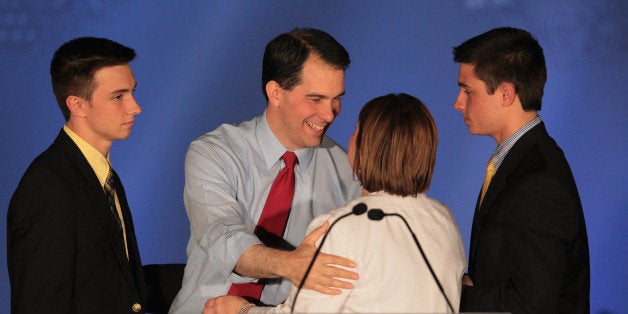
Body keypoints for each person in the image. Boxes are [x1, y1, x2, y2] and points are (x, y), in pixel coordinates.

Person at [201, 93, 467, 313]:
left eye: (356, 131)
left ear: (366, 147)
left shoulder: (340, 228)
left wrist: (240, 310)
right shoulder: (444, 220)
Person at [169, 28, 362, 313]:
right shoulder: (213, 153)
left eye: (337, 98)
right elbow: (224, 237)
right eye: (316, 98)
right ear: (275, 93)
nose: (330, 113)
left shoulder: (347, 172)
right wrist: (292, 265)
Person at [452, 27, 590, 313]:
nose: (458, 103)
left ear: (505, 94)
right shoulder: (520, 161)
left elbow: (531, 304)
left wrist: (452, 295)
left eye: (468, 91)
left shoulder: (538, 180)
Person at [7, 37, 146, 313]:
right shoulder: (48, 187)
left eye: (132, 92)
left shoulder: (102, 175)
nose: (135, 107)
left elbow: (112, 282)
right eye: (119, 96)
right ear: (77, 105)